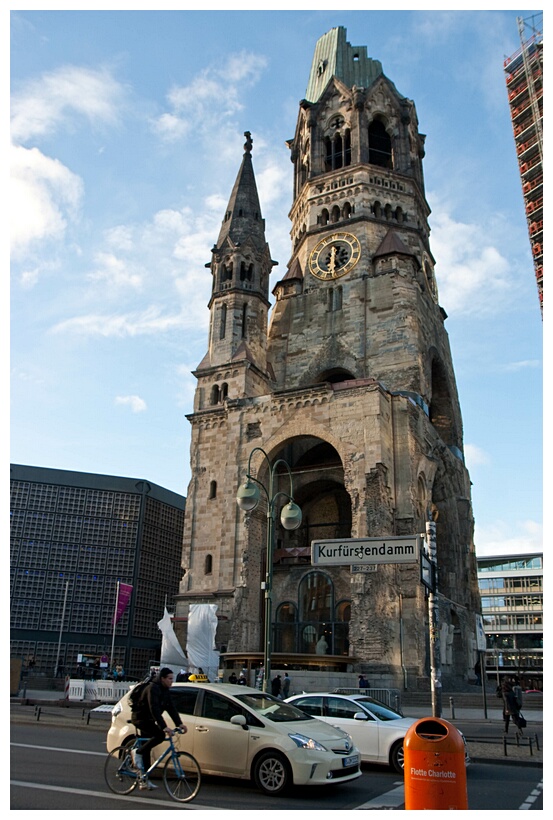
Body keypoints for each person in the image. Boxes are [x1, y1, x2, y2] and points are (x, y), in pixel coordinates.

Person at [130, 667, 187, 790]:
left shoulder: (165, 690)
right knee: (160, 735)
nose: (172, 681)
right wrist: (164, 727)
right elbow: (154, 708)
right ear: (162, 678)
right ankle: (137, 752)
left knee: (147, 748)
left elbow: (171, 708)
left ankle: (144, 779)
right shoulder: (153, 688)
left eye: (172, 678)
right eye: (170, 679)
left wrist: (179, 724)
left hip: (149, 720)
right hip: (140, 719)